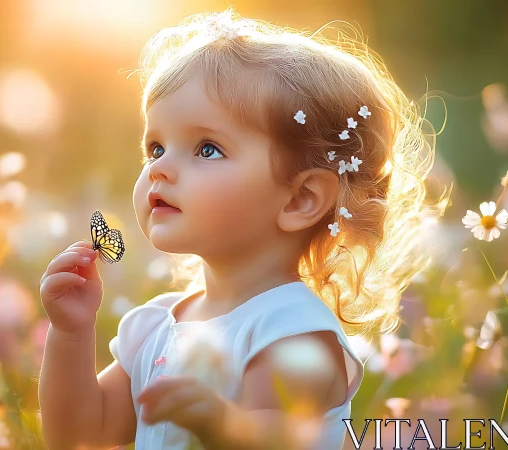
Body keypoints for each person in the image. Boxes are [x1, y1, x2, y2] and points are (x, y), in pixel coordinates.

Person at [39, 7, 440, 450]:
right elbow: (79, 436)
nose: (161, 169)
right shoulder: (156, 326)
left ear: (300, 199)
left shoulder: (293, 330)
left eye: (207, 149)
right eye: (155, 148)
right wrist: (71, 334)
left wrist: (221, 427)